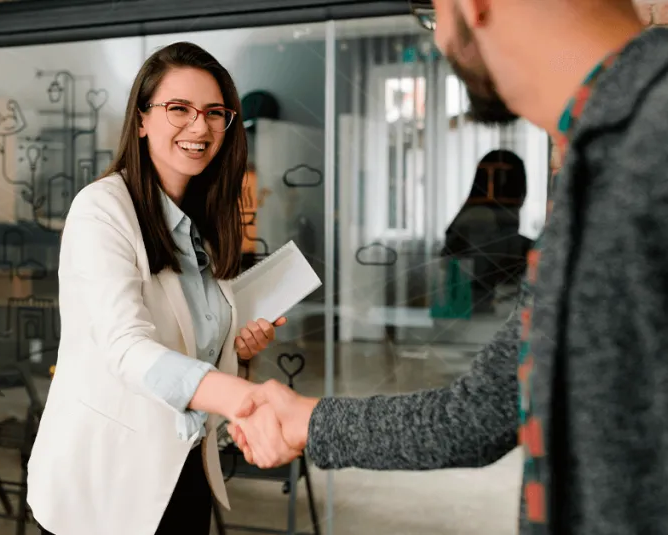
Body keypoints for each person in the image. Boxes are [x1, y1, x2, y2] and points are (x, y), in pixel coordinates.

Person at [233, 1, 668, 534]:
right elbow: (479, 417)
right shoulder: (593, 162)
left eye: (434, 13)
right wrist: (308, 419)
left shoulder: (649, 138)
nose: (439, 40)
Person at [26, 41, 289, 535]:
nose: (199, 126)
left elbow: (189, 339)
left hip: (183, 465)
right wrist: (242, 400)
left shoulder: (205, 220)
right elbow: (127, 347)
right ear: (142, 119)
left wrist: (237, 342)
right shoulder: (101, 210)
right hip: (105, 481)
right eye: (178, 109)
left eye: (215, 112)